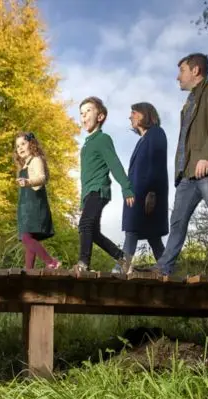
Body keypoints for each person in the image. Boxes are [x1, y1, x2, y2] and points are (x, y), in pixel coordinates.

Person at [140, 53, 208, 278]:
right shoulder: (188, 104)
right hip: (187, 175)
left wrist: (206, 156)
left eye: (182, 71)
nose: (178, 77)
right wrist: (180, 172)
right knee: (177, 222)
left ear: (195, 70)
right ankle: (164, 267)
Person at [75, 96, 134, 274]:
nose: (84, 116)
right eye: (81, 113)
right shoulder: (86, 146)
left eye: (88, 111)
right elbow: (85, 177)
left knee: (84, 225)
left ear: (100, 117)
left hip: (99, 190)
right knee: (92, 232)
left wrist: (126, 187)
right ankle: (123, 259)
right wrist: (82, 201)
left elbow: (114, 164)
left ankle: (83, 264)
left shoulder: (103, 139)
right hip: (89, 193)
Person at [121, 102, 168, 267]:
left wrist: (152, 192)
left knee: (133, 231)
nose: (130, 116)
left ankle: (121, 267)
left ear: (145, 114)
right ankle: (166, 268)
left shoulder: (156, 133)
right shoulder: (143, 139)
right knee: (153, 236)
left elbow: (157, 164)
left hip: (146, 195)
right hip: (138, 194)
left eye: (134, 112)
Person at [14, 132, 61, 270]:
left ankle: (51, 261)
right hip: (26, 208)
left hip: (35, 206)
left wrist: (28, 181)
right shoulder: (23, 167)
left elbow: (42, 178)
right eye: (17, 146)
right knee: (29, 239)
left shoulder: (36, 160)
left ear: (31, 144)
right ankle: (29, 271)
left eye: (23, 143)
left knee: (26, 237)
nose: (20, 148)